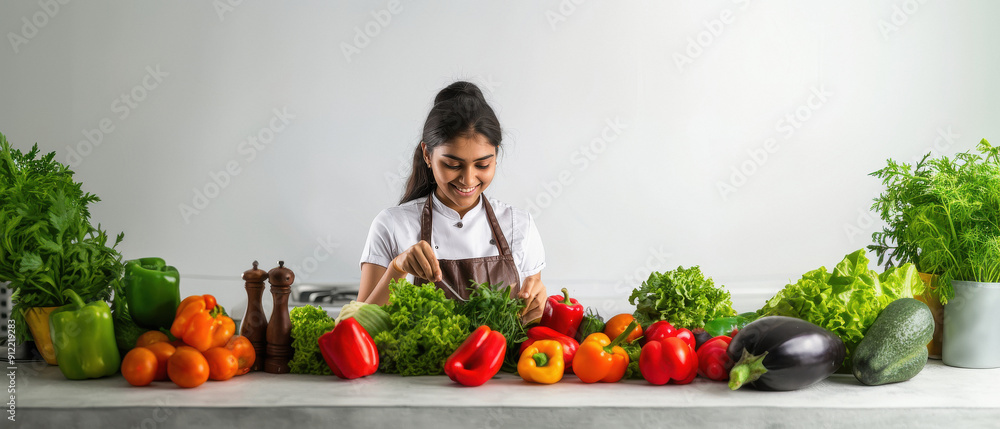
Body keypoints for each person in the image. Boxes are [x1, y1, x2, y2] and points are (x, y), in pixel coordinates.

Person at [357, 81, 547, 321]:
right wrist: (398, 268)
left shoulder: (519, 225)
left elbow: (530, 320)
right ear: (427, 154)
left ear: (496, 155)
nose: (468, 179)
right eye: (453, 165)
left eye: (482, 165)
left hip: (500, 360)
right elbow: (356, 329)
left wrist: (537, 304)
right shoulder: (392, 225)